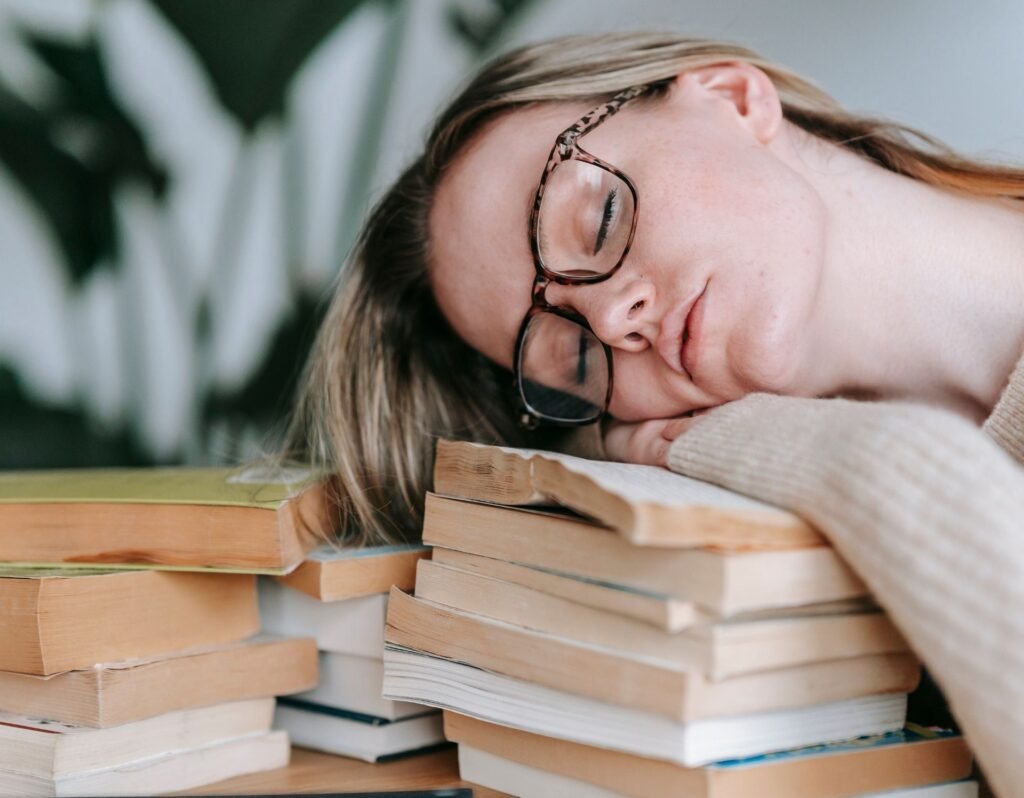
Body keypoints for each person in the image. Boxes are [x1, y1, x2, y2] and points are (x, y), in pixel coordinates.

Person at [286, 33, 1024, 795]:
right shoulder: (821, 629)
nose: (611, 322)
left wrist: (872, 465)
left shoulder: (866, 492)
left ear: (735, 97)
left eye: (600, 220)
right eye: (572, 360)